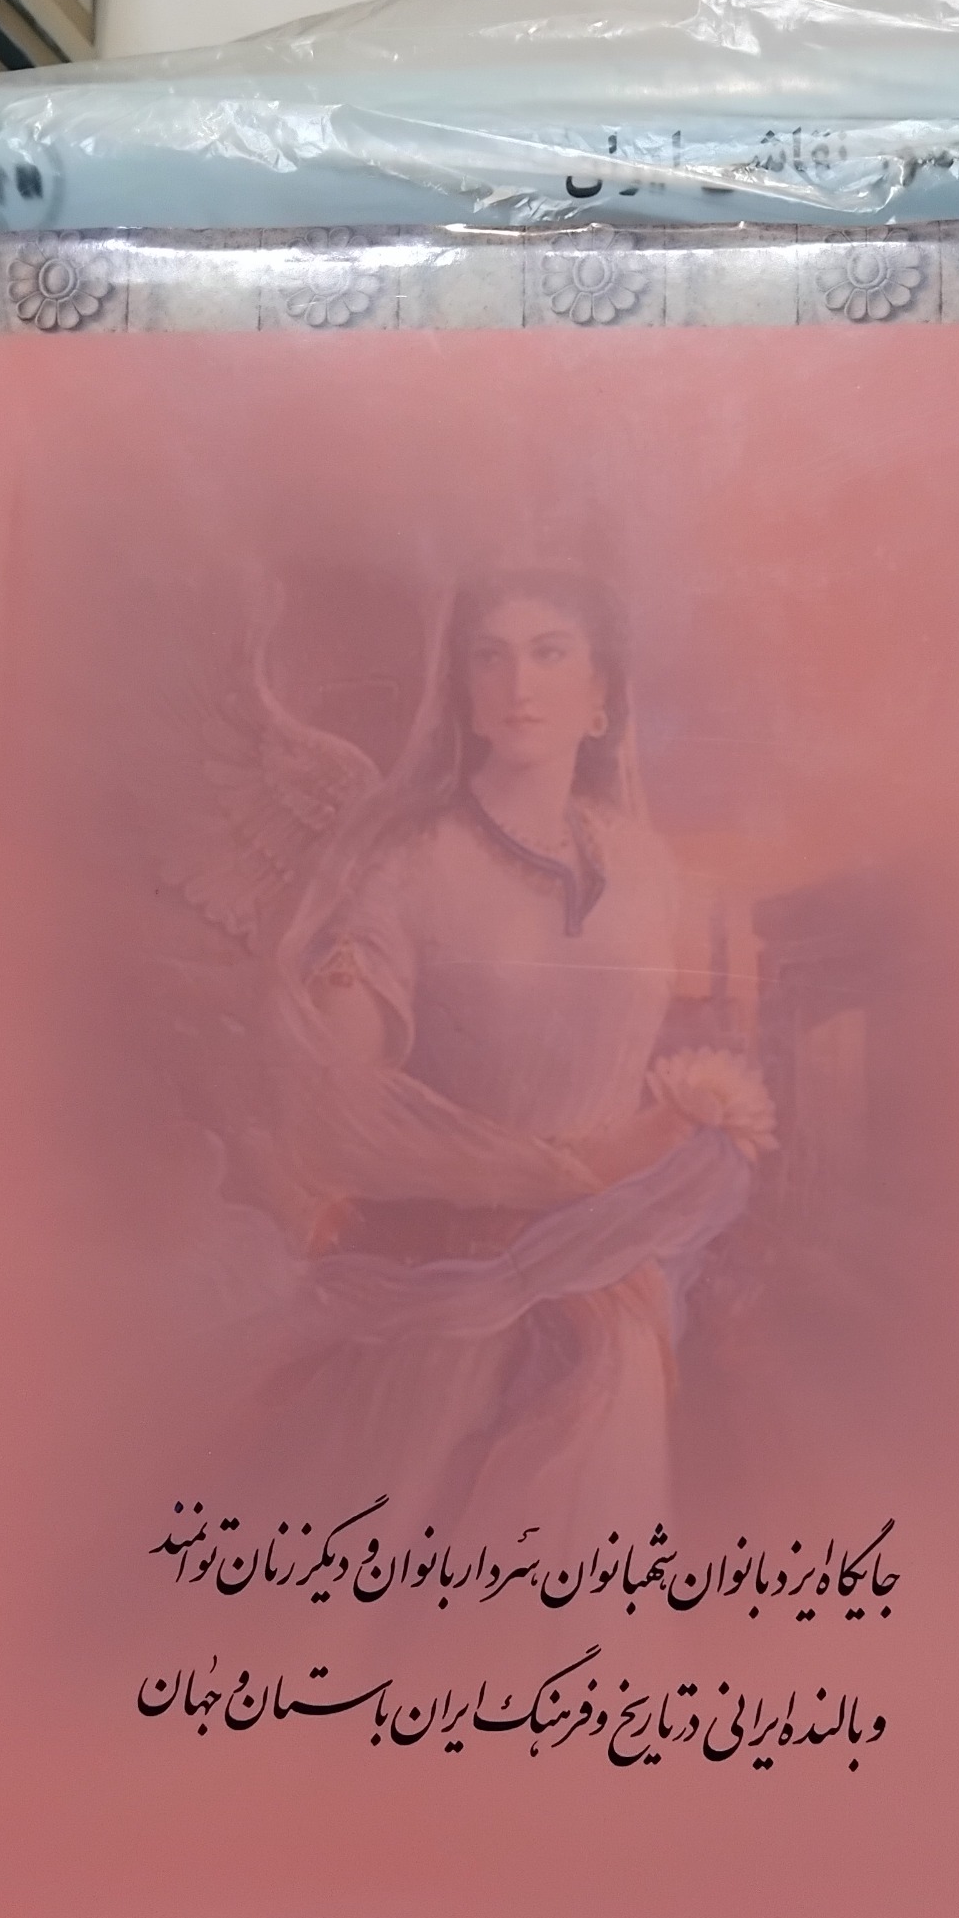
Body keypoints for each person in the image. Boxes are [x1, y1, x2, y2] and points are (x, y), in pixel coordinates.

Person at [254, 568, 774, 1553]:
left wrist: (690, 1132)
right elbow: (333, 1105)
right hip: (446, 1297)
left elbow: (650, 1060)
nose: (518, 685)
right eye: (489, 657)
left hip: (608, 1302)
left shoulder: (645, 865)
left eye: (549, 654)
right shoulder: (405, 866)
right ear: (461, 687)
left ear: (601, 692)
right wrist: (554, 1170)